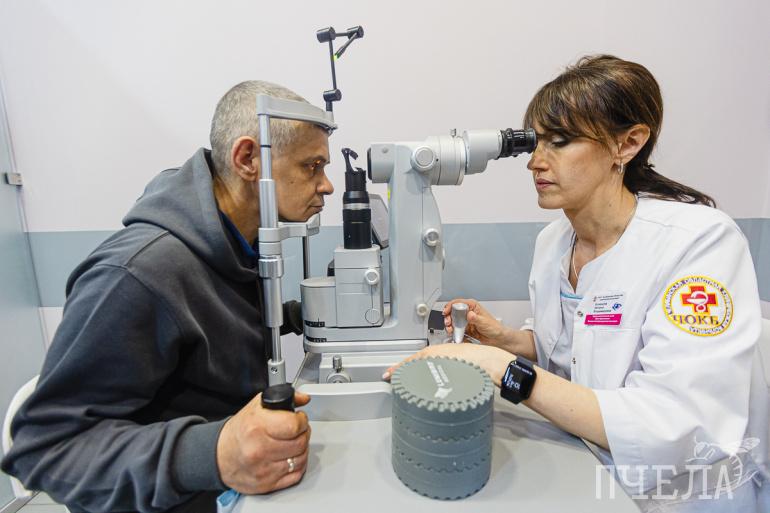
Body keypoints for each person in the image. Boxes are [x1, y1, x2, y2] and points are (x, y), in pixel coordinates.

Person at [385, 55, 769, 511]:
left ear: (627, 144)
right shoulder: (553, 242)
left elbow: (677, 423)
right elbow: (574, 349)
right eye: (535, 144)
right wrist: (508, 340)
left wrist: (503, 369)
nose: (535, 163)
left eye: (561, 142)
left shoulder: (699, 242)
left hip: (680, 496)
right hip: (588, 468)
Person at [1, 81, 335, 512]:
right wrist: (213, 453)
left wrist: (298, 314)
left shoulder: (233, 246)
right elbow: (44, 450)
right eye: (312, 166)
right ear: (248, 159)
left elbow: (208, 331)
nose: (327, 186)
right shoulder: (138, 275)